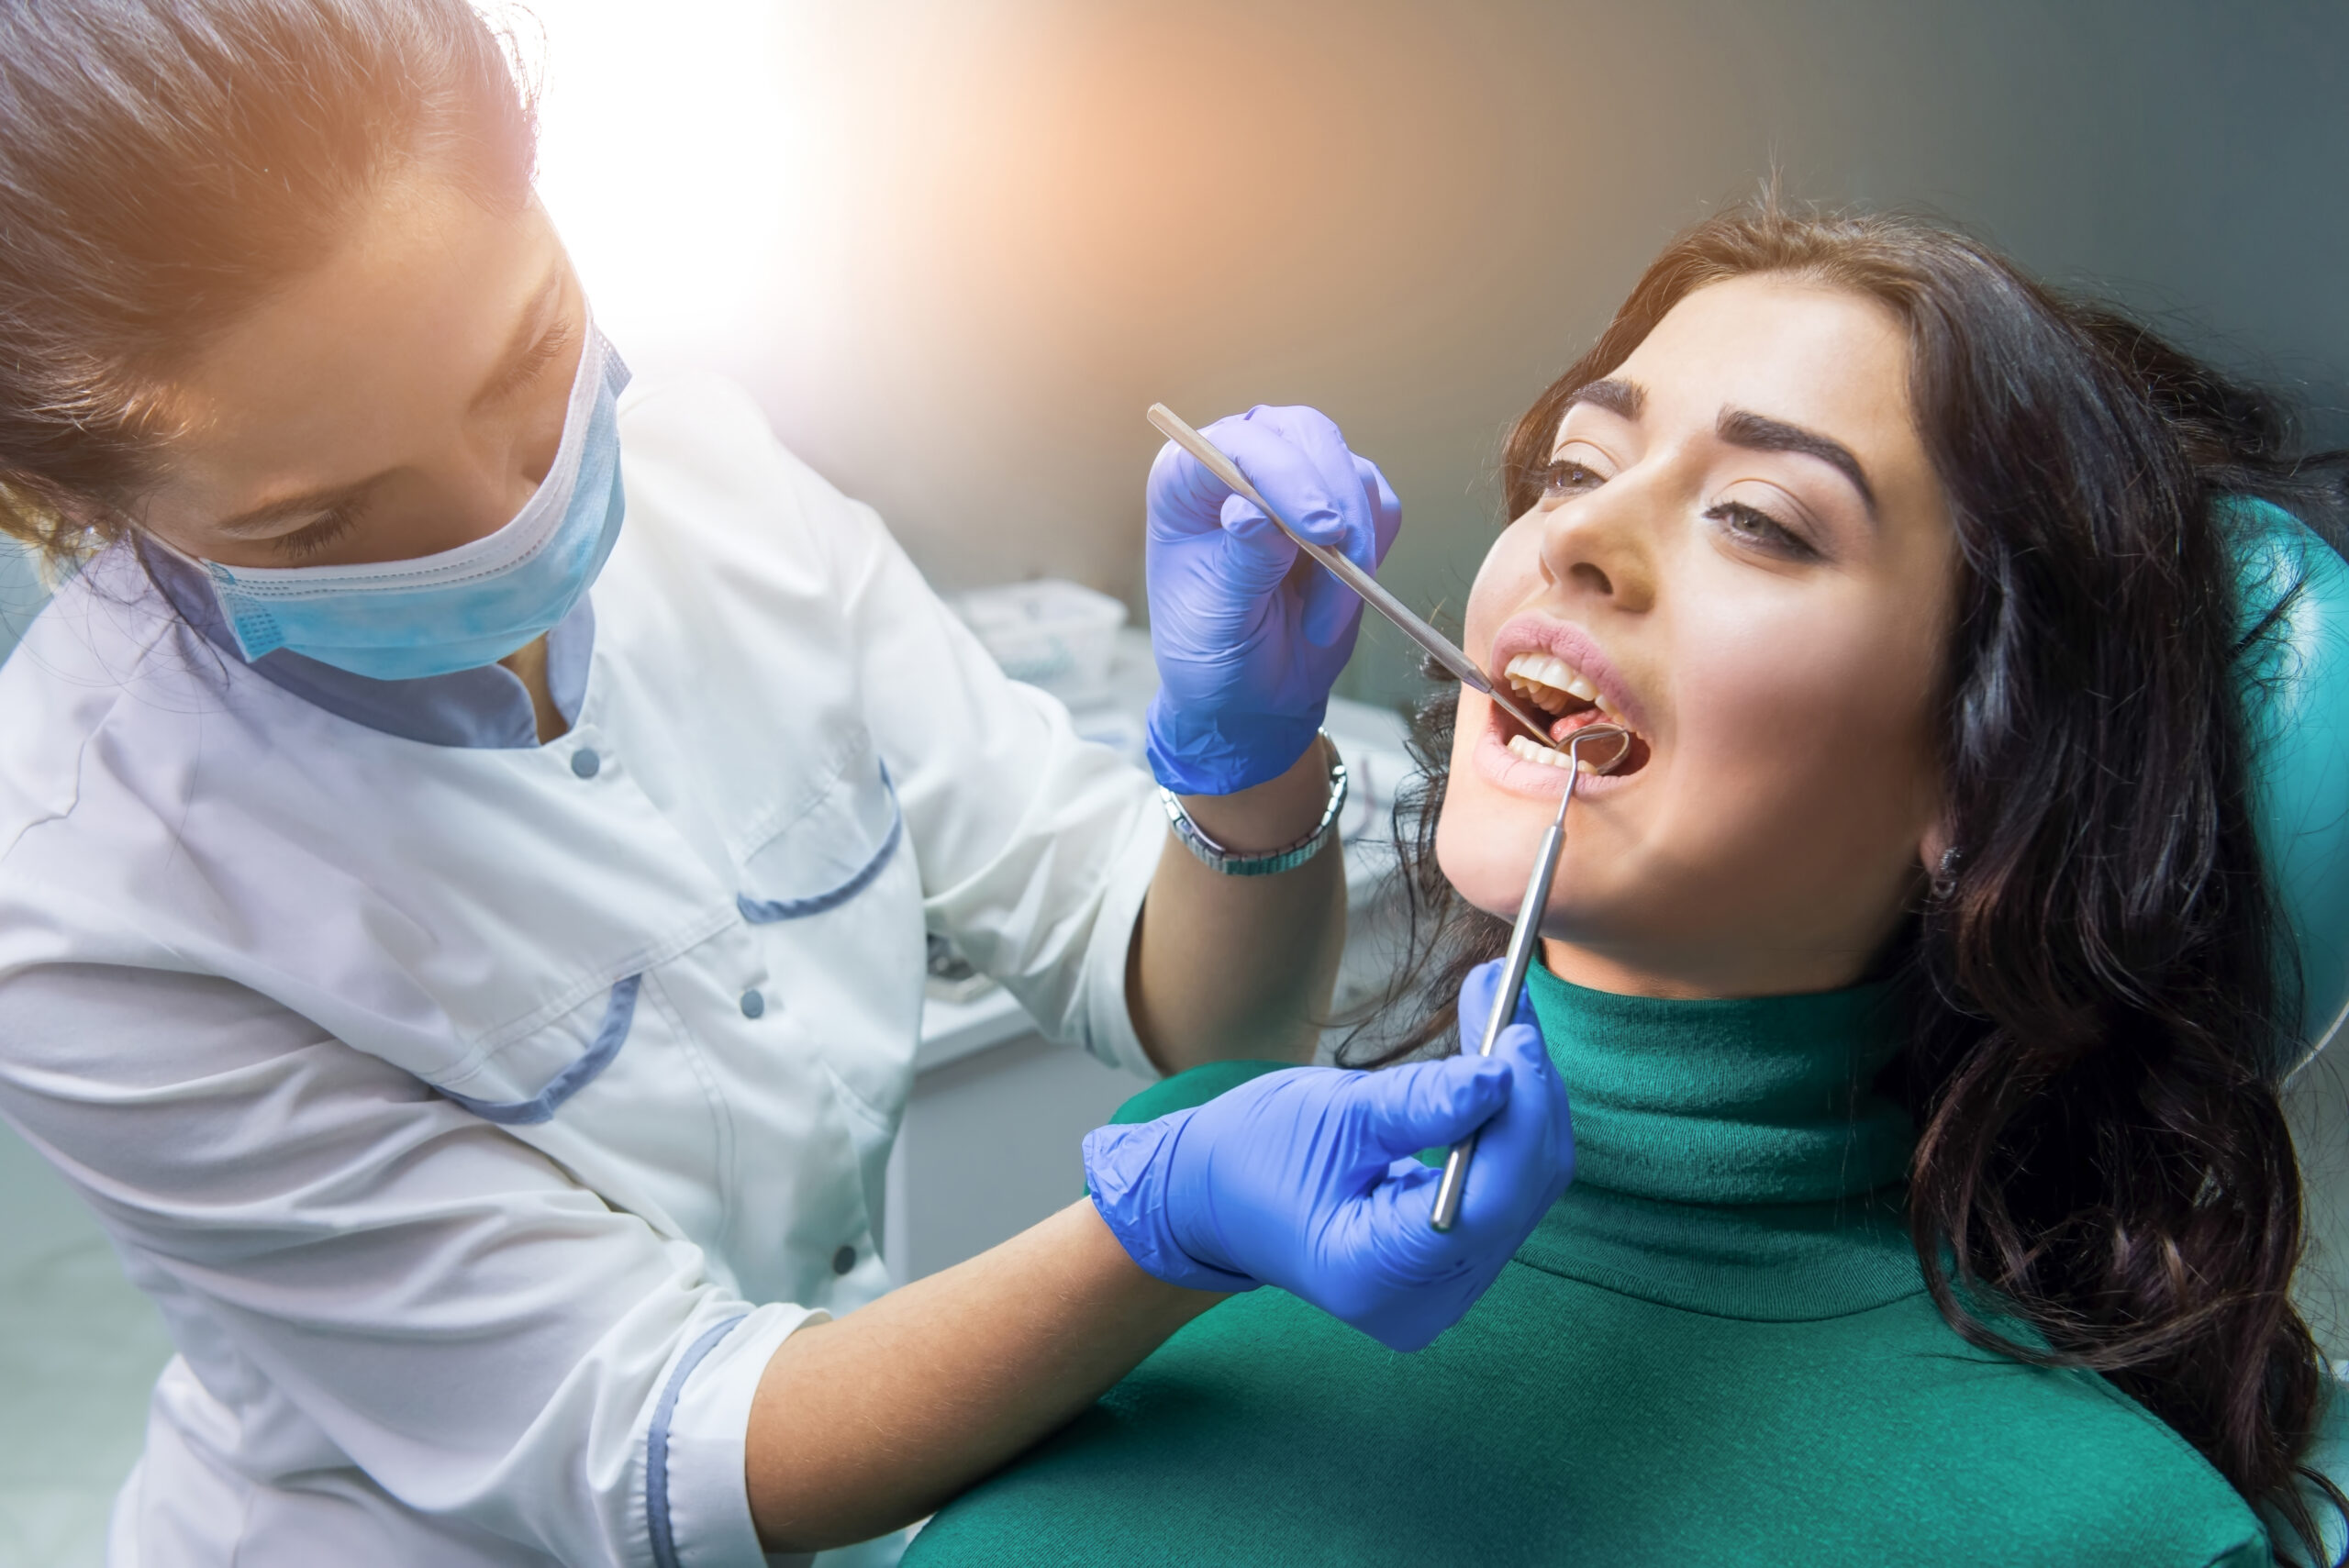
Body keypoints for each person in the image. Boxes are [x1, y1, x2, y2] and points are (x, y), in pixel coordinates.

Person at [0, 3, 1579, 1564]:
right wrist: (1161, 1229)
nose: (508, 522)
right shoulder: (83, 891)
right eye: (323, 524)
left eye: (526, 359)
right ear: (53, 508)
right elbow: (654, 1446)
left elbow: (1197, 1012)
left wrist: (1250, 768)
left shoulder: (719, 482)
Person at [902, 205, 2349, 1565]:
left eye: (1761, 519)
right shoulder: (1177, 1195)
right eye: (1579, 470)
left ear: (1984, 777)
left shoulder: (2104, 1532)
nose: (1573, 538)